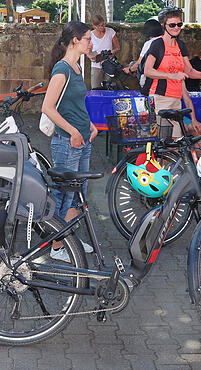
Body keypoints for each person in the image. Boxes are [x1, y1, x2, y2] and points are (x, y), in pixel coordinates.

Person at [41, 21, 98, 262]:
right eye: (87, 38)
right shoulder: (62, 69)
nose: (91, 43)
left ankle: (68, 239)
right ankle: (56, 246)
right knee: (65, 194)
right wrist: (73, 131)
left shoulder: (76, 68)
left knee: (78, 194)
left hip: (83, 140)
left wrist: (90, 126)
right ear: (75, 40)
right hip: (67, 142)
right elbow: (47, 107)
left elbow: (76, 103)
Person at [142, 7, 201, 140]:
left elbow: (189, 71)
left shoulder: (180, 45)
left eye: (179, 24)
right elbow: (148, 71)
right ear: (164, 26)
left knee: (174, 143)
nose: (176, 27)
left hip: (176, 99)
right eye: (172, 25)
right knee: (164, 143)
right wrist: (172, 75)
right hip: (159, 98)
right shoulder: (157, 44)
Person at [87, 14, 120, 89]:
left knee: (110, 87)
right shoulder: (90, 35)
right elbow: (87, 51)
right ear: (94, 26)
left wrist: (110, 52)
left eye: (103, 25)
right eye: (99, 26)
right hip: (96, 65)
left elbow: (117, 48)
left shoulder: (110, 32)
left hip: (109, 64)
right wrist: (91, 57)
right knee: (95, 88)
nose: (102, 27)